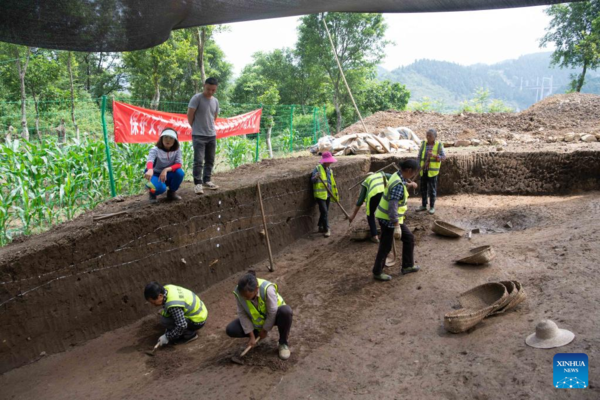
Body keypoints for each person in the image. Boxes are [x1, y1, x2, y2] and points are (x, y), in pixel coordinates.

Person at [226, 271, 293, 360]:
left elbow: (272, 312)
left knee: (286, 311)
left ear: (256, 289)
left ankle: (283, 343)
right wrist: (252, 336)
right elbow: (242, 314)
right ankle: (257, 334)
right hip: (257, 321)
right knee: (231, 329)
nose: (245, 299)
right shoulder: (239, 292)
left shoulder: (267, 289)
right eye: (243, 297)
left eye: (248, 297)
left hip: (276, 316)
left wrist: (264, 330)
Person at [372, 159, 421, 281]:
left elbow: (402, 183)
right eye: (414, 172)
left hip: (390, 219)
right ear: (409, 170)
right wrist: (396, 225)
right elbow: (392, 207)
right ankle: (377, 272)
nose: (414, 175)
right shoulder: (398, 185)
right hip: (389, 220)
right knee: (385, 246)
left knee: (409, 238)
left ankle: (407, 266)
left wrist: (409, 184)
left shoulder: (396, 175)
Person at [144, 281, 208, 346]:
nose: (153, 304)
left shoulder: (173, 305)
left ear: (160, 296)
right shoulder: (167, 288)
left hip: (198, 320)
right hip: (200, 311)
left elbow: (182, 325)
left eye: (153, 302)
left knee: (165, 321)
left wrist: (168, 336)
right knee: (166, 318)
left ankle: (190, 335)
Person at [187, 77, 220, 195]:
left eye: (213, 90)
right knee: (198, 161)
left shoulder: (215, 101)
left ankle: (207, 180)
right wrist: (195, 127)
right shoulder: (196, 98)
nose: (210, 92)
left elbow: (214, 116)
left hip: (211, 135)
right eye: (208, 89)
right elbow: (190, 115)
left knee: (210, 160)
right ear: (204, 86)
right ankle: (198, 184)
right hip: (198, 135)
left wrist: (209, 127)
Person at [349, 171, 393, 243]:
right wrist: (408, 183)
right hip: (385, 194)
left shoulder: (366, 181)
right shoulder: (382, 174)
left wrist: (353, 216)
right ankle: (387, 232)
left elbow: (360, 201)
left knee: (370, 215)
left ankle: (375, 236)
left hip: (373, 196)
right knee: (384, 213)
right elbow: (395, 177)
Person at [144, 128, 184, 202]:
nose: (168, 140)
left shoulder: (177, 150)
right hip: (155, 173)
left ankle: (172, 193)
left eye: (171, 138)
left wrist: (166, 169)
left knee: (180, 173)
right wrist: (150, 169)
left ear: (175, 140)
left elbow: (179, 164)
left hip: (168, 173)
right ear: (161, 138)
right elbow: (150, 161)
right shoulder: (155, 150)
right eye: (165, 137)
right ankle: (152, 193)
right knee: (160, 189)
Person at [417, 128, 446, 214]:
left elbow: (443, 157)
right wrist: (418, 166)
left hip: (432, 172)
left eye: (430, 136)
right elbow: (419, 157)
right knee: (423, 189)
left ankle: (432, 207)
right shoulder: (423, 144)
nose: (428, 137)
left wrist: (434, 156)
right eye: (427, 135)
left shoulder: (439, 145)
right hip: (423, 170)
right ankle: (423, 205)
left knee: (432, 190)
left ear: (435, 137)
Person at [311, 151, 339, 238]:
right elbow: (312, 180)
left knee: (325, 211)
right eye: (329, 161)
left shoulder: (329, 170)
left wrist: (332, 192)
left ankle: (320, 225)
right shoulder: (317, 169)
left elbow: (330, 182)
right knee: (324, 211)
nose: (331, 162)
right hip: (320, 195)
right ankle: (327, 229)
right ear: (325, 161)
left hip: (328, 194)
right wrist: (315, 177)